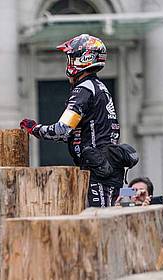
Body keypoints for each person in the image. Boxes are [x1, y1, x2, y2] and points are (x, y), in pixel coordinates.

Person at [20, 34, 138, 207]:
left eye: (70, 58)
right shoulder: (99, 88)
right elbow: (73, 133)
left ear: (82, 59)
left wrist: (35, 129)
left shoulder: (84, 89)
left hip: (98, 168)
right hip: (106, 166)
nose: (68, 63)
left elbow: (62, 130)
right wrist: (132, 192)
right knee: (107, 211)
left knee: (97, 218)